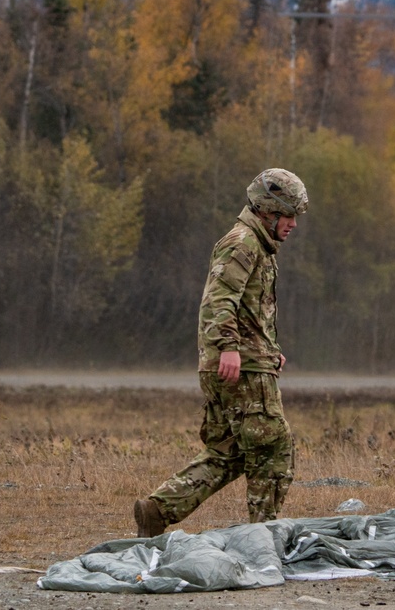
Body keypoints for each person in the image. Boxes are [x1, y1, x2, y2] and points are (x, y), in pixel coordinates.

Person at [134, 168, 309, 538]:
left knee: (230, 452)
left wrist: (270, 351)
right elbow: (218, 301)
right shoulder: (243, 243)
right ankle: (264, 536)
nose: (294, 224)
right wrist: (229, 349)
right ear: (267, 210)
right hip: (239, 367)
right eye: (289, 214)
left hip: (247, 362)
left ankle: (157, 509)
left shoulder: (258, 245)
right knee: (273, 448)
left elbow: (249, 309)